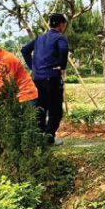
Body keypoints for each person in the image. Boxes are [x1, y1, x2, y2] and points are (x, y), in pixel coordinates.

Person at [21, 13, 69, 145]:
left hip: (38, 79)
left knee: (41, 107)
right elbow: (64, 49)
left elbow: (25, 50)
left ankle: (38, 136)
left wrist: (33, 67)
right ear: (61, 24)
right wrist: (62, 66)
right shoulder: (60, 38)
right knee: (55, 109)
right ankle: (49, 138)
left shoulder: (39, 38)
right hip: (52, 78)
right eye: (64, 24)